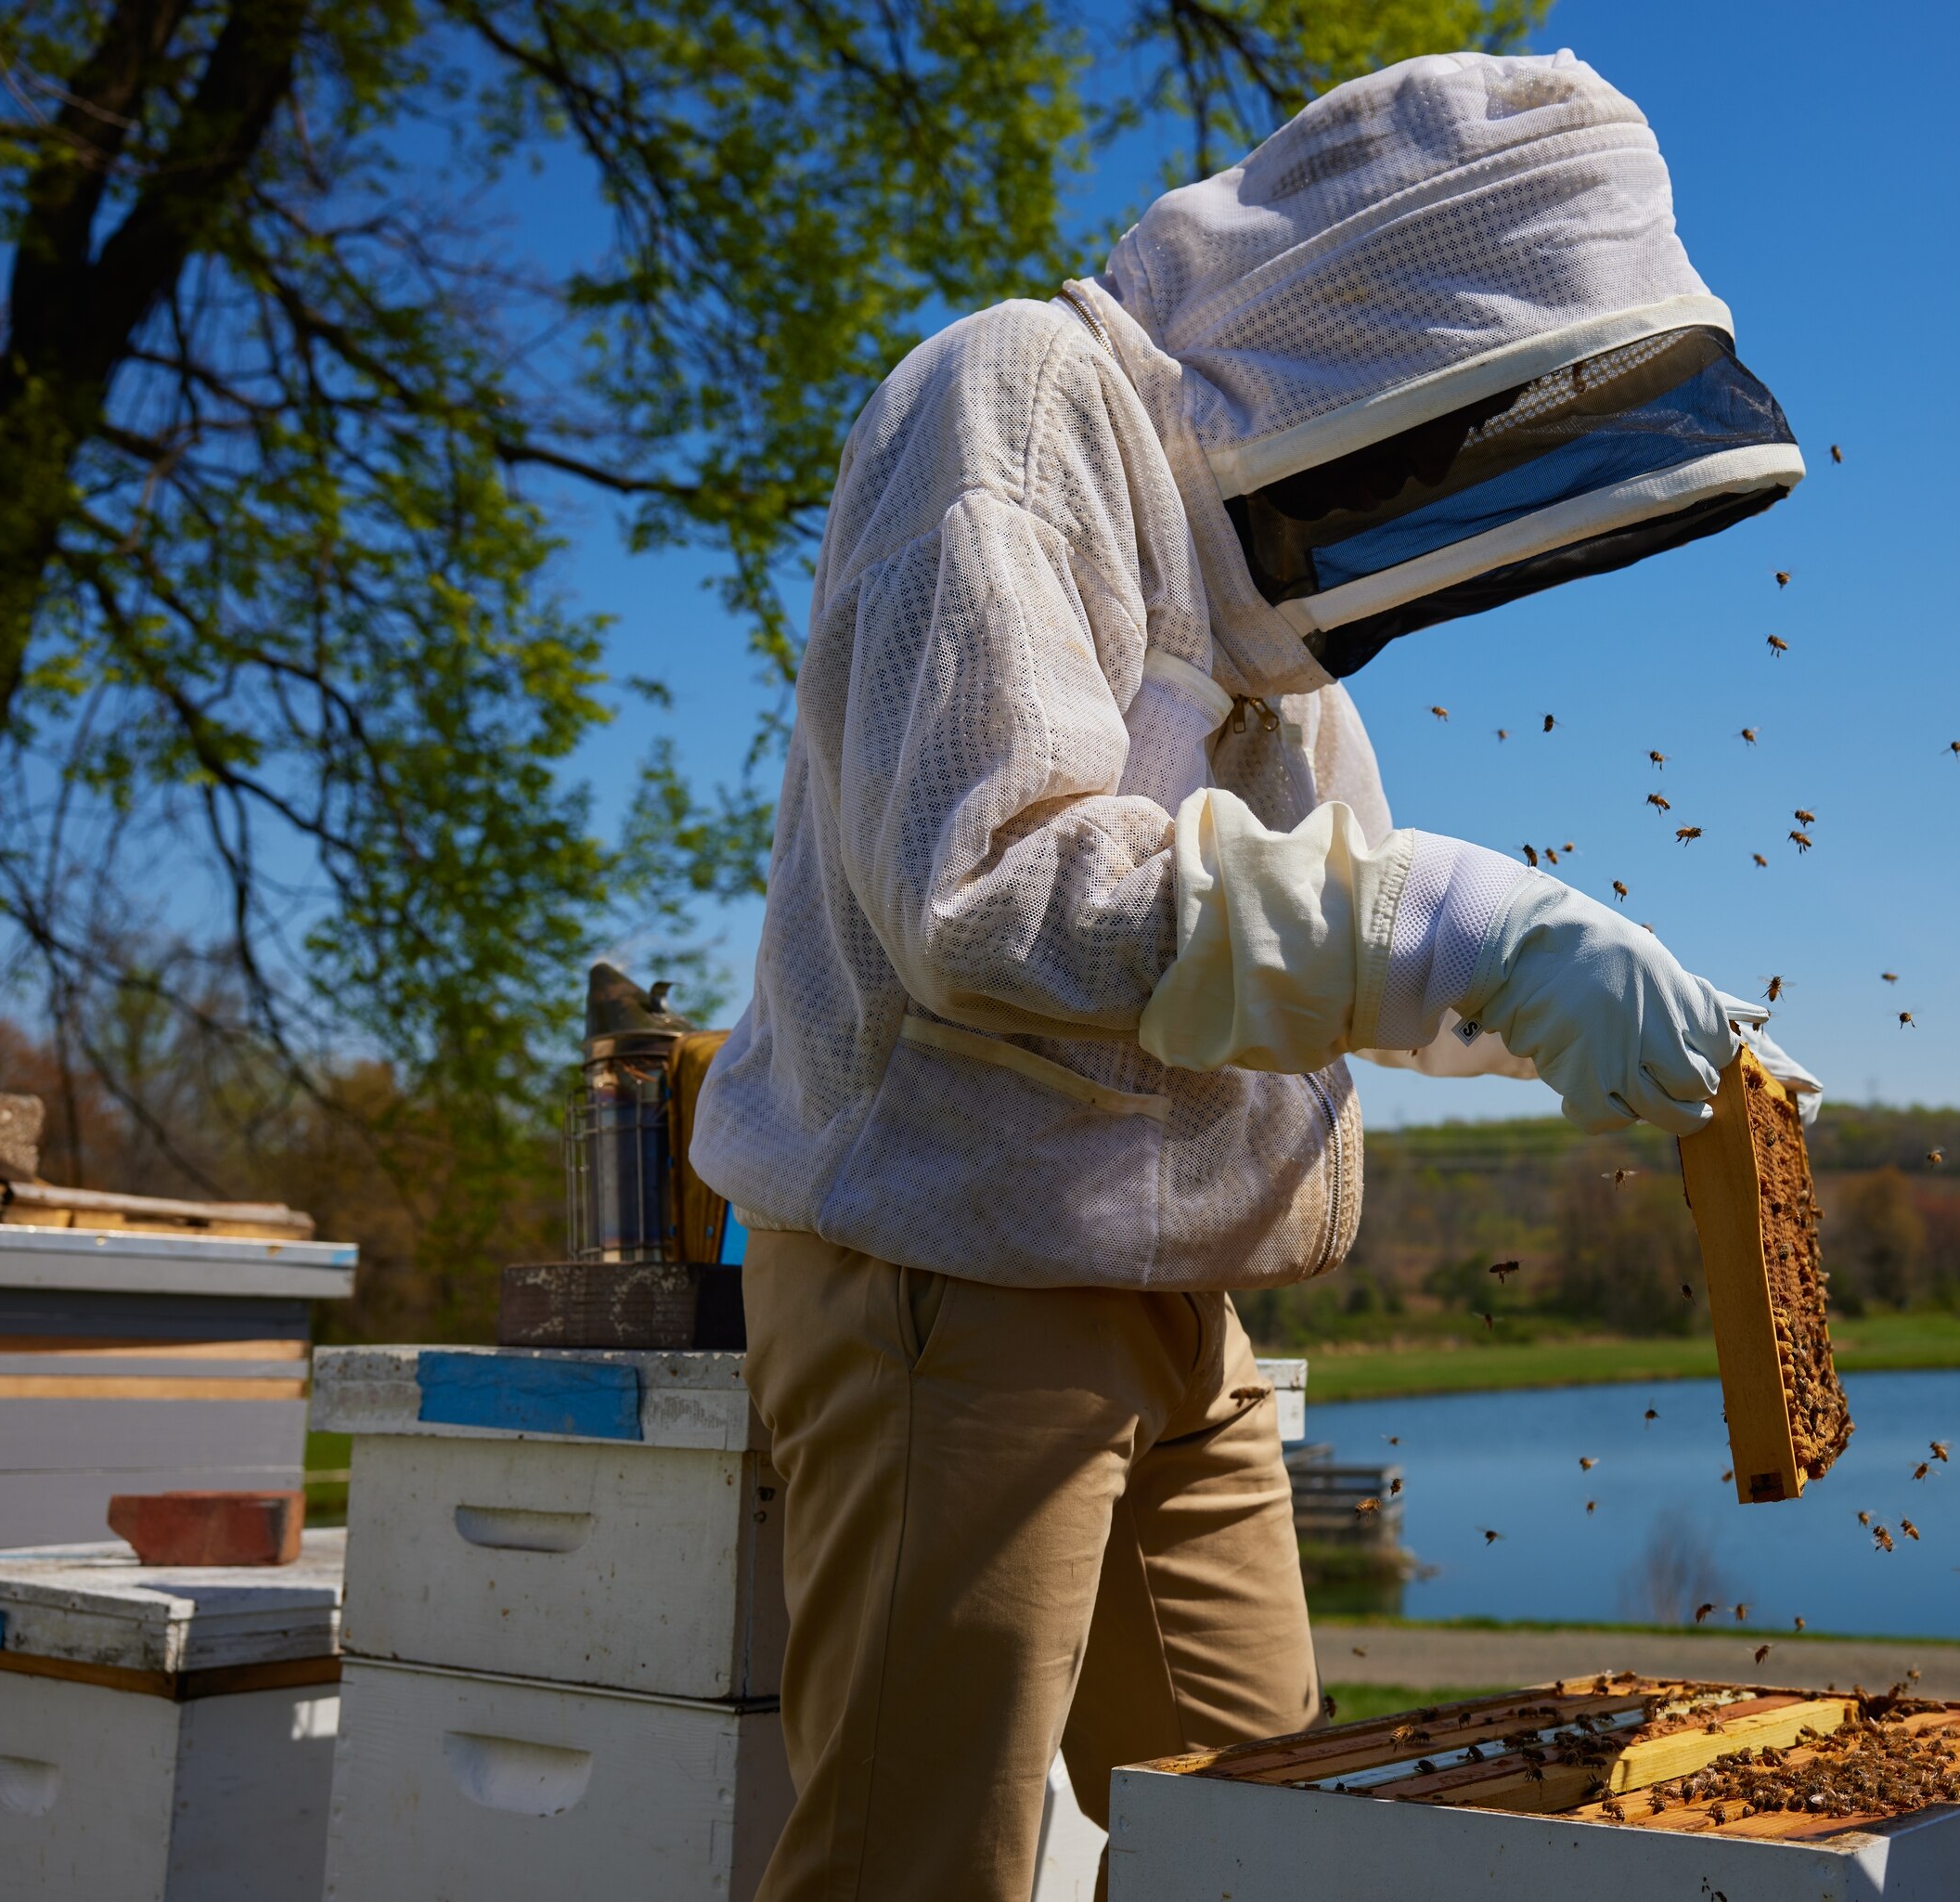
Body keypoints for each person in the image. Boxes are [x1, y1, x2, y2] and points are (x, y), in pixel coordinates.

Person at [690, 48, 1817, 1901]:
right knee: (918, 1865)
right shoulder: (1008, 405)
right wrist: (1481, 929)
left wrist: (1583, 1009)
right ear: (1367, 329)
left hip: (1182, 1290)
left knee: (1282, 1841)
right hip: (946, 1278)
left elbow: (1317, 945)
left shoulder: (1263, 623)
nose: (1432, 505)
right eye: (1447, 440)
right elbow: (994, 892)